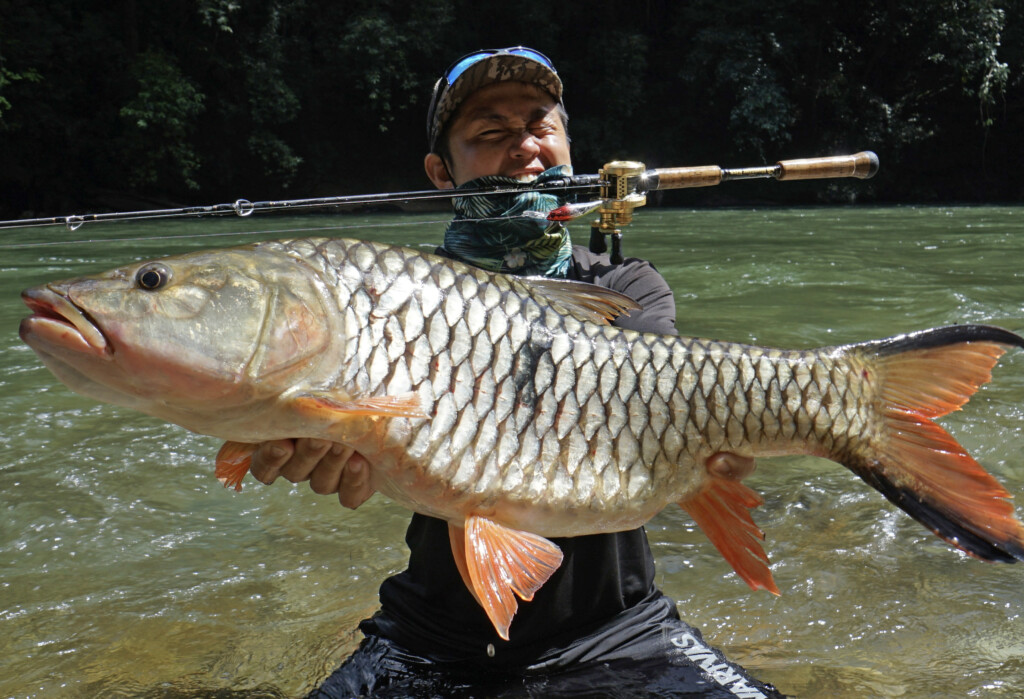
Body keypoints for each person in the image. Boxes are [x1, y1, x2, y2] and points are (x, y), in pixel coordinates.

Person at [244, 47, 783, 698]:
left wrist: (729, 432)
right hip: (430, 640)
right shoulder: (395, 302)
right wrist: (305, 434)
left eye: (540, 126)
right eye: (492, 134)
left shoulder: (624, 283)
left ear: (568, 148)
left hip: (617, 627)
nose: (524, 147)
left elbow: (645, 400)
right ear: (441, 172)